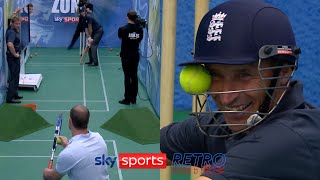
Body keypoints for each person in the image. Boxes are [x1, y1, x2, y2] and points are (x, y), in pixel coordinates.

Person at [160, 0, 320, 179]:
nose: (227, 97)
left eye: (244, 75)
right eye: (215, 74)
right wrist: (128, 159)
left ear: (283, 72)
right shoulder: (227, 126)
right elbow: (150, 153)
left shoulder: (288, 140)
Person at [43, 105, 109, 180]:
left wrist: (46, 172)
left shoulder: (68, 153)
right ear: (88, 120)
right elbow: (82, 153)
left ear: (70, 121)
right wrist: (67, 145)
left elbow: (52, 178)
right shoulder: (99, 138)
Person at [118, 10, 144, 105]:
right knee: (134, 76)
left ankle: (127, 99)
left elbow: (121, 38)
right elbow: (139, 39)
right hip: (135, 56)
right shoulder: (140, 29)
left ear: (127, 17)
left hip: (126, 56)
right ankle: (134, 98)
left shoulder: (122, 29)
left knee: (127, 77)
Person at [6, 16, 23, 103]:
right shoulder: (11, 32)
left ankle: (15, 94)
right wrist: (15, 54)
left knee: (16, 76)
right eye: (16, 23)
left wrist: (15, 12)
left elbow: (11, 20)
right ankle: (10, 98)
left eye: (19, 23)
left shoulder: (12, 29)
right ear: (12, 23)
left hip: (14, 58)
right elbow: (9, 44)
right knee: (13, 77)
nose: (18, 25)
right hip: (12, 58)